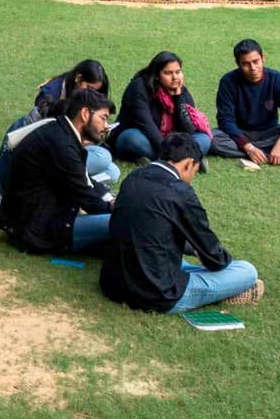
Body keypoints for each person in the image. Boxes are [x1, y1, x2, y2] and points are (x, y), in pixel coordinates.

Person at [101, 132, 263, 313]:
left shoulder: (133, 177)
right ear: (188, 164)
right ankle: (224, 293)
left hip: (113, 284)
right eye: (194, 171)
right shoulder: (181, 192)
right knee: (246, 271)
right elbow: (215, 259)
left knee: (173, 258)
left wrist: (194, 249)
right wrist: (213, 257)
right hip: (157, 294)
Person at [0, 90, 117, 256]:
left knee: (123, 222)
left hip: (35, 219)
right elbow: (87, 198)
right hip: (37, 229)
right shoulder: (61, 145)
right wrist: (120, 211)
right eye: (103, 118)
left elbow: (83, 178)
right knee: (125, 223)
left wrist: (110, 199)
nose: (106, 126)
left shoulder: (60, 130)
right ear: (84, 114)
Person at [0, 61, 116, 196]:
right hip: (21, 179)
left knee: (112, 172)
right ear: (78, 79)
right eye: (89, 89)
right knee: (102, 157)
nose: (93, 95)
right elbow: (54, 146)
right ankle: (71, 185)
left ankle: (76, 183)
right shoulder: (50, 105)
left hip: (48, 158)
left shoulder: (67, 108)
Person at [212, 38, 280, 164]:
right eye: (246, 64)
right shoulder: (228, 81)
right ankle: (266, 155)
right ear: (238, 64)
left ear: (263, 58)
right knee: (211, 138)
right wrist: (249, 147)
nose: (252, 68)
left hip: (269, 132)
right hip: (240, 132)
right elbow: (225, 119)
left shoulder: (277, 79)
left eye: (256, 61)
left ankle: (264, 153)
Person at [110, 51, 212, 162]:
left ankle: (167, 160)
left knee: (204, 139)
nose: (175, 77)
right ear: (157, 75)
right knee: (131, 138)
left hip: (171, 141)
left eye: (178, 72)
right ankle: (185, 160)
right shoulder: (139, 88)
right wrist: (168, 149)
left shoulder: (181, 91)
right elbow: (146, 125)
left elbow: (187, 130)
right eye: (168, 73)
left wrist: (179, 98)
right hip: (146, 136)